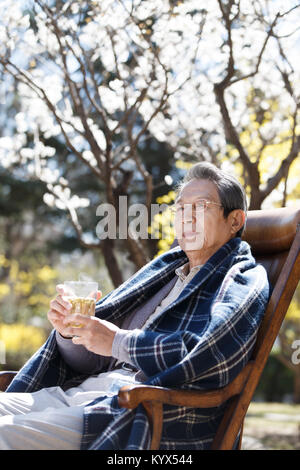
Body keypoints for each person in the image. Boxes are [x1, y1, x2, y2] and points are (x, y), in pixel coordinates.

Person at [0, 162, 270, 450]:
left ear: (235, 220)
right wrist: (71, 333)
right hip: (86, 392)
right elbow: (95, 359)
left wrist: (116, 341)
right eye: (180, 209)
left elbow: (206, 352)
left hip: (136, 409)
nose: (186, 218)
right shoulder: (164, 271)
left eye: (200, 207)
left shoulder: (243, 279)